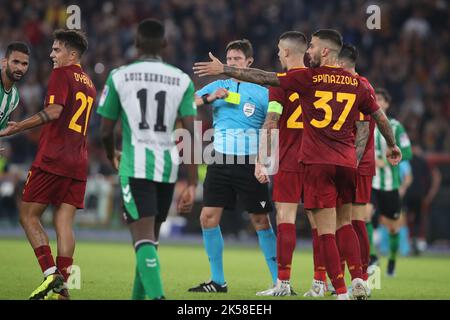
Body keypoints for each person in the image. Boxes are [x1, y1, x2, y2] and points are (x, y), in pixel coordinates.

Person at [193, 29, 402, 300]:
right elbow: (376, 118)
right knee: (346, 224)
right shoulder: (357, 83)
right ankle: (353, 278)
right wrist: (392, 145)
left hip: (307, 159)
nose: (309, 51)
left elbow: (267, 97)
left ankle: (317, 287)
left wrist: (225, 70)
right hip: (347, 161)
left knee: (302, 223)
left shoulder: (302, 78)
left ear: (323, 51)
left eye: (312, 46)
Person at [97, 19, 198, 300]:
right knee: (149, 243)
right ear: (165, 44)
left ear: (137, 44)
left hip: (135, 166)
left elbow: (105, 130)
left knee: (142, 241)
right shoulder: (182, 79)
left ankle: (158, 297)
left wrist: (110, 154)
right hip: (167, 169)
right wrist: (192, 181)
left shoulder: (119, 76)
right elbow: (191, 131)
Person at [0, 29, 95, 300]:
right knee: (64, 223)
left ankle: (51, 275)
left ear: (71, 54)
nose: (52, 55)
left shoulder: (61, 75)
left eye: (57, 50)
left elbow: (54, 112)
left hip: (53, 158)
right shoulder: (89, 83)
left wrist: (18, 126)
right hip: (79, 161)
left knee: (27, 216)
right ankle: (63, 291)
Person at [188, 39, 277, 294]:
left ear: (249, 62)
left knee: (261, 220)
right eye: (228, 59)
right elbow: (188, 103)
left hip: (250, 161)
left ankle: (278, 281)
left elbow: (270, 128)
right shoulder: (218, 85)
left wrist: (264, 162)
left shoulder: (263, 90)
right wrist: (210, 97)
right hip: (220, 159)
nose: (231, 64)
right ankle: (218, 281)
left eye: (237, 59)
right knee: (207, 217)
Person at [252, 31, 308, 296]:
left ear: (286, 52)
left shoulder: (280, 84)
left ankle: (283, 283)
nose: (276, 54)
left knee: (286, 218)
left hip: (289, 159)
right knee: (324, 223)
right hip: (320, 159)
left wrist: (261, 159)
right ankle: (323, 283)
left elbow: (272, 122)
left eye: (278, 50)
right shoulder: (319, 80)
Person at [370, 88, 413, 276]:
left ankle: (392, 260)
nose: (377, 102)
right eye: (374, 99)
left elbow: (408, 152)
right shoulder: (365, 124)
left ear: (387, 104)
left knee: (394, 227)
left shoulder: (396, 126)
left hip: (390, 185)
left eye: (380, 99)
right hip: (371, 182)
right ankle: (373, 258)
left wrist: (390, 158)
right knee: (365, 216)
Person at [405, 144, 441, 255]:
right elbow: (436, 176)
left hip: (412, 195)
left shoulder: (416, 160)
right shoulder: (418, 160)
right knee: (413, 220)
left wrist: (430, 195)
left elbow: (436, 176)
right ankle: (413, 244)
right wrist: (430, 195)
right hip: (414, 195)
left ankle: (415, 244)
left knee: (415, 219)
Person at [0, 42, 30, 152]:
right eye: (15, 62)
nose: (20, 68)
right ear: (4, 62)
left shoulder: (15, 97)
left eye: (24, 64)